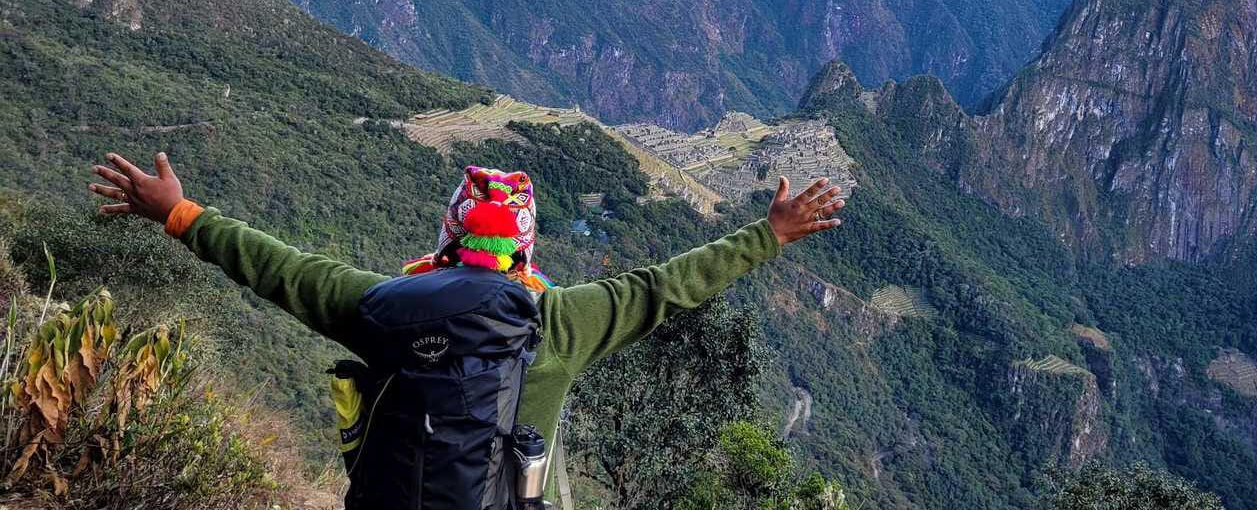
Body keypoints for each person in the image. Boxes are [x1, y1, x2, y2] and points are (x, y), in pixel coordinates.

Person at [87, 151, 844, 504]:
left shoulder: (380, 308)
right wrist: (768, 233)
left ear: (449, 233)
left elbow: (278, 267)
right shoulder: (560, 322)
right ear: (526, 246)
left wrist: (180, 213)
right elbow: (666, 287)